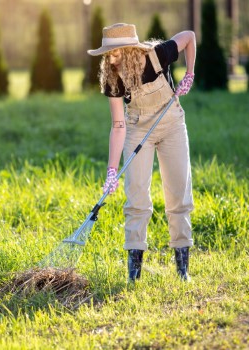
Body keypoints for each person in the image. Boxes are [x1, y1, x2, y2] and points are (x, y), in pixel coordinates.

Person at [88, 23, 196, 282]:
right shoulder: (113, 77)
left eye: (116, 53)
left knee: (179, 194)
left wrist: (189, 73)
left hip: (171, 125)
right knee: (136, 198)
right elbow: (118, 125)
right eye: (108, 54)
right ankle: (133, 274)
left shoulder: (157, 54)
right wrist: (112, 170)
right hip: (136, 129)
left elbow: (189, 37)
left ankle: (183, 269)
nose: (111, 59)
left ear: (130, 50)